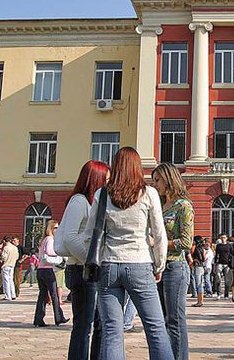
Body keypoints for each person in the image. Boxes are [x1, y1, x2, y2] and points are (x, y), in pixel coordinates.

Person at [85, 147, 173, 359]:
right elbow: (160, 234)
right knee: (156, 328)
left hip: (108, 265)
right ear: (137, 168)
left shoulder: (102, 194)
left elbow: (89, 235)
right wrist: (159, 265)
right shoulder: (149, 193)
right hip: (140, 263)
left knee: (112, 332)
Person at [55, 160, 109, 360]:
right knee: (84, 325)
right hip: (81, 269)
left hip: (88, 269)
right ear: (96, 179)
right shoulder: (79, 201)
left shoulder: (93, 202)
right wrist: (90, 261)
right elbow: (70, 237)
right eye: (106, 179)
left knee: (99, 323)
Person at [152, 162, 194, 360]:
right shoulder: (159, 205)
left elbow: (186, 242)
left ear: (169, 179)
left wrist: (159, 243)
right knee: (161, 320)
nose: (155, 184)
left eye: (158, 180)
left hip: (176, 267)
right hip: (158, 267)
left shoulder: (183, 206)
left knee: (175, 320)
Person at [33, 220, 69, 327]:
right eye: (56, 228)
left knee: (43, 295)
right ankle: (58, 317)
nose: (57, 230)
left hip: (41, 269)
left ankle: (38, 319)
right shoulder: (50, 239)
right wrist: (59, 252)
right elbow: (49, 251)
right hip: (48, 270)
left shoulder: (43, 239)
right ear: (52, 229)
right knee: (54, 295)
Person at [214, 234, 233, 300]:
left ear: (226, 238)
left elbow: (232, 254)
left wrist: (231, 264)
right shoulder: (218, 246)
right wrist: (215, 263)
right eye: (221, 238)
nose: (223, 239)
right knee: (218, 278)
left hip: (227, 264)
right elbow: (216, 255)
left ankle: (226, 295)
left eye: (224, 237)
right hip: (219, 263)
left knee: (227, 280)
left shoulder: (229, 246)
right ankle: (219, 294)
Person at [1, 236, 19, 301]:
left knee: (6, 281)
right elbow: (17, 257)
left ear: (4, 241)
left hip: (6, 265)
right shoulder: (15, 248)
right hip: (12, 265)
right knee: (11, 280)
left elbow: (4, 257)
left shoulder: (6, 248)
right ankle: (13, 294)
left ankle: (7, 296)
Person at [191, 235, 206, 307]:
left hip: (198, 267)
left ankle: (200, 301)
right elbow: (204, 257)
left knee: (198, 285)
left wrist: (194, 260)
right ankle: (200, 300)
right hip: (201, 267)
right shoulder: (202, 248)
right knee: (200, 284)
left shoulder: (196, 248)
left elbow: (200, 258)